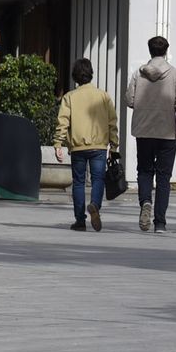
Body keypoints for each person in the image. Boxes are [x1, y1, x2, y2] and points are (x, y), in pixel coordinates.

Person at [127, 35, 176, 234]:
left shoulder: (138, 73)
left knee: (144, 171)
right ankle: (160, 222)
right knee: (163, 177)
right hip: (167, 131)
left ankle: (145, 201)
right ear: (166, 51)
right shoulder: (175, 75)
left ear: (150, 51)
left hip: (143, 130)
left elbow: (130, 100)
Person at [53, 57, 119, 234]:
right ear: (91, 74)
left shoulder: (69, 97)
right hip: (99, 146)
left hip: (77, 147)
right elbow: (112, 122)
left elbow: (63, 121)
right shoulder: (103, 96)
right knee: (98, 179)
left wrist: (58, 143)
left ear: (75, 76)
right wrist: (114, 145)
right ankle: (95, 205)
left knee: (79, 182)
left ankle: (80, 221)